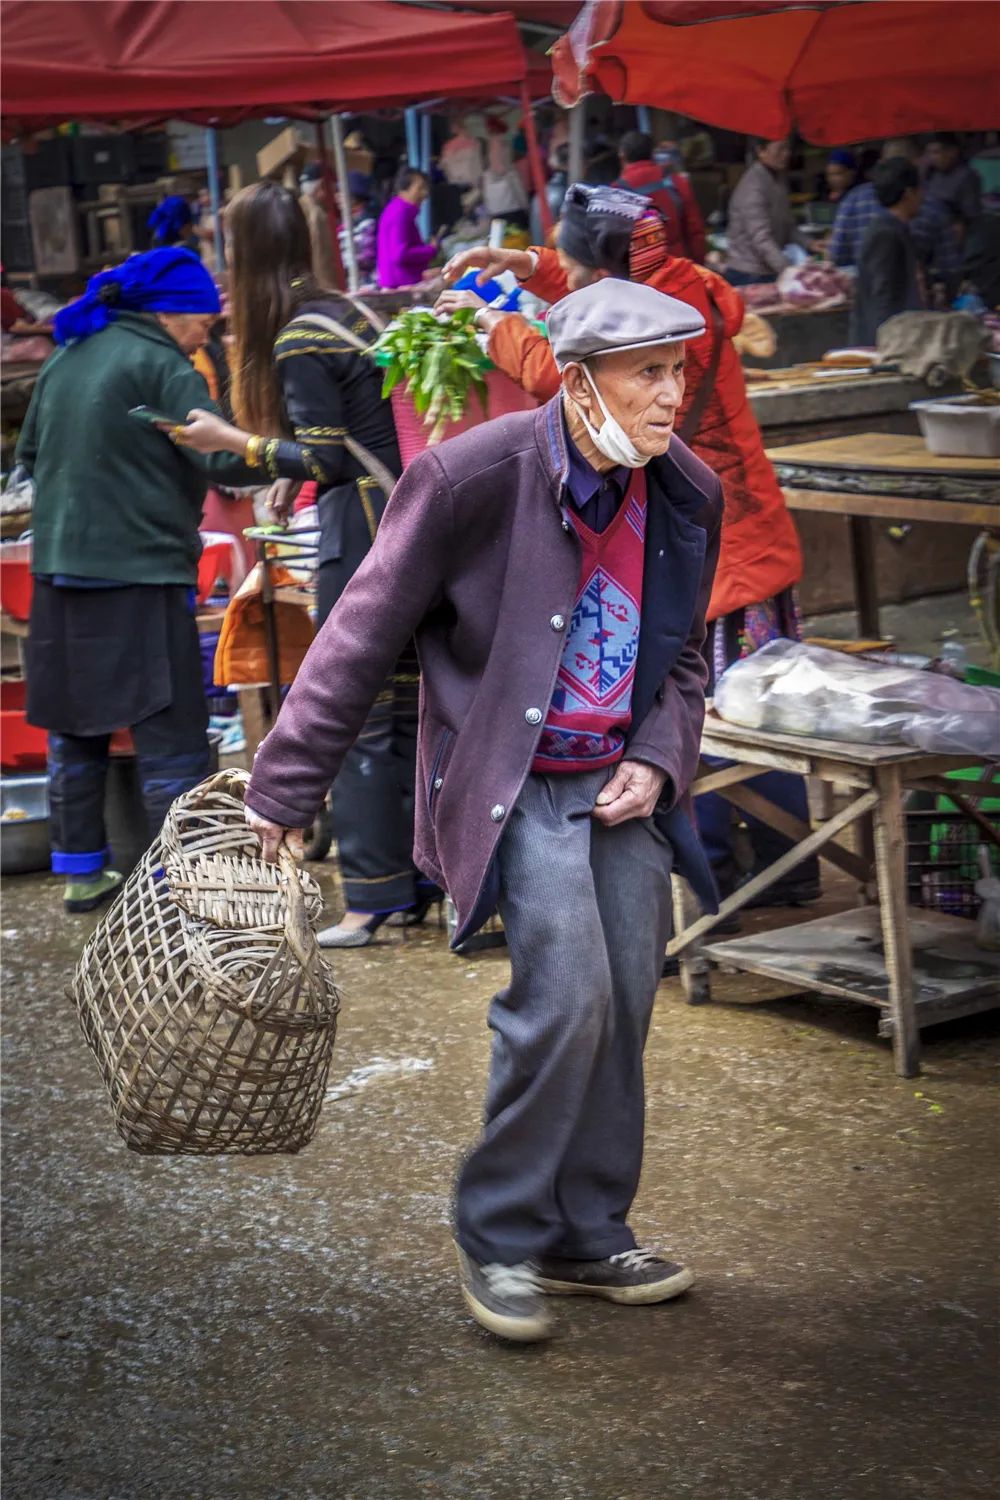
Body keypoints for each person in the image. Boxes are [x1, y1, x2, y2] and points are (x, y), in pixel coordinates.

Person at [239, 278, 722, 1342]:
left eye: (679, 369)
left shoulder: (685, 489)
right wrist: (282, 786)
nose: (670, 394)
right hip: (518, 783)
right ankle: (500, 1234)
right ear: (580, 378)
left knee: (627, 1001)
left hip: (617, 786)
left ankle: (585, 1231)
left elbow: (687, 653)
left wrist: (656, 754)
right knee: (565, 998)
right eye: (648, 371)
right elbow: (358, 632)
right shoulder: (469, 474)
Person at [438, 184, 815, 917]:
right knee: (739, 704)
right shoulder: (678, 284)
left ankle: (730, 872)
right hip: (738, 534)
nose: (568, 283)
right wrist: (520, 261)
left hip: (718, 548)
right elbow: (591, 287)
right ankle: (775, 866)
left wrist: (494, 323)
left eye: (575, 270)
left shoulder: (664, 329)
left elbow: (569, 377)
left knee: (713, 704)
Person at [169, 181, 434, 947]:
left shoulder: (296, 338)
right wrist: (296, 468)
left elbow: (326, 452)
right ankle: (416, 882)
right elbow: (353, 440)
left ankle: (373, 897)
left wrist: (235, 443)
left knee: (355, 711)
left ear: (244, 253)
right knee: (406, 711)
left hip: (366, 534)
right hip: (402, 524)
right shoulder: (344, 310)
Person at [16, 248, 254, 914]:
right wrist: (276, 455)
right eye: (204, 322)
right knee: (170, 726)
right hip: (140, 572)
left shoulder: (69, 355)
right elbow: (227, 466)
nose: (208, 333)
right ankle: (179, 885)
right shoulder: (162, 365)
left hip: (60, 570)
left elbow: (29, 455)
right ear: (170, 313)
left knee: (76, 723)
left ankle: (83, 872)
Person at [828, 138, 963, 299]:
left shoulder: (853, 200)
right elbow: (949, 269)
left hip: (865, 299)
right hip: (912, 305)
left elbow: (837, 256)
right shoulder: (931, 206)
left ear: (882, 162)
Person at [851, 158, 923, 347]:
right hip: (885, 344)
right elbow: (883, 294)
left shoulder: (896, 229)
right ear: (909, 193)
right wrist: (885, 348)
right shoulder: (885, 234)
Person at [614, 129, 707, 263]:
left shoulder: (617, 191)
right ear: (652, 154)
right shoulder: (676, 182)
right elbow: (695, 231)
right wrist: (699, 265)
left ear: (622, 156)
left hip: (638, 272)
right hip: (677, 267)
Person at [723, 138, 802, 285]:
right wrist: (787, 269)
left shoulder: (778, 178)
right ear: (761, 151)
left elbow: (787, 225)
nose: (786, 154)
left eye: (787, 149)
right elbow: (760, 237)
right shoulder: (753, 185)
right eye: (780, 150)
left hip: (768, 269)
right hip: (748, 273)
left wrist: (810, 243)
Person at [376, 167, 437, 289]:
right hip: (400, 285)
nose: (424, 194)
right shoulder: (400, 212)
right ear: (404, 189)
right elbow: (400, 254)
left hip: (397, 282)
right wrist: (430, 250)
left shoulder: (396, 209)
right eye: (420, 188)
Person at [923, 133, 982, 234]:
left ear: (952, 151)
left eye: (936, 152)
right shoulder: (931, 173)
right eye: (929, 153)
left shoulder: (967, 177)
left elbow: (971, 214)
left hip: (954, 232)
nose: (932, 157)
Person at [298, 162, 339, 290]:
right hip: (323, 289)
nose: (335, 193)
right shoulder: (318, 216)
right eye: (334, 187)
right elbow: (323, 261)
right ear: (322, 186)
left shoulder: (298, 207)